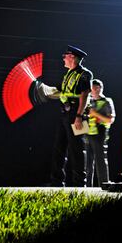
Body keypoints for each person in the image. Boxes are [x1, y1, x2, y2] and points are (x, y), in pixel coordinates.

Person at [49, 45, 92, 187]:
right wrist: (47, 91)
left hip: (78, 114)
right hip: (65, 114)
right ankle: (56, 182)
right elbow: (64, 92)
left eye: (65, 56)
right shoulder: (68, 74)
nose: (63, 58)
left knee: (77, 148)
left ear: (72, 57)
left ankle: (80, 183)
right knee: (59, 147)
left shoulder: (85, 74)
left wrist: (79, 116)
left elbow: (85, 95)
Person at [84, 79, 115, 188]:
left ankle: (104, 185)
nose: (94, 90)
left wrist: (95, 114)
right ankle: (86, 187)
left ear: (100, 88)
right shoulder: (88, 101)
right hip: (87, 134)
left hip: (100, 134)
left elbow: (110, 120)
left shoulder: (106, 101)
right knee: (87, 164)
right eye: (92, 88)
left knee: (100, 161)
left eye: (96, 88)